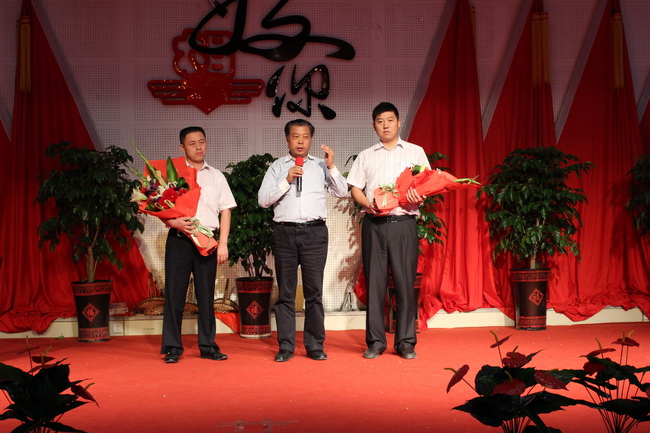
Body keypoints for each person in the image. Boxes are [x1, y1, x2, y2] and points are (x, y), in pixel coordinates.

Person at [258, 119, 348, 362]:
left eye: (305, 136)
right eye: (295, 136)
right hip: (284, 233)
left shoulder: (320, 165)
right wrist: (286, 180)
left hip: (314, 233)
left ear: (311, 139)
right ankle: (286, 346)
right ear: (287, 139)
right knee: (286, 293)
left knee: (313, 293)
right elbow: (263, 200)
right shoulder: (277, 167)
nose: (300, 141)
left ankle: (315, 345)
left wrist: (332, 166)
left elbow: (342, 192)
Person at [346, 102, 429, 360]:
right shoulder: (366, 156)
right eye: (380, 121)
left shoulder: (415, 152)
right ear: (374, 126)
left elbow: (426, 185)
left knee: (404, 284)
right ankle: (375, 342)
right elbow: (355, 188)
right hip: (374, 225)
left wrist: (419, 195)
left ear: (398, 122)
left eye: (390, 120)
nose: (385, 125)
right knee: (375, 284)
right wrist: (366, 203)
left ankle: (405, 342)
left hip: (403, 224)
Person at [160, 126, 236, 363]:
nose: (198, 147)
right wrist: (172, 222)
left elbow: (226, 210)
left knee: (205, 295)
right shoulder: (173, 175)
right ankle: (172, 347)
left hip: (207, 241)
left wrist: (223, 243)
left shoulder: (216, 176)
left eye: (201, 142)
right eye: (192, 143)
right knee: (175, 295)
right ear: (182, 147)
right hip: (179, 240)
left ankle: (208, 345)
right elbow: (160, 206)